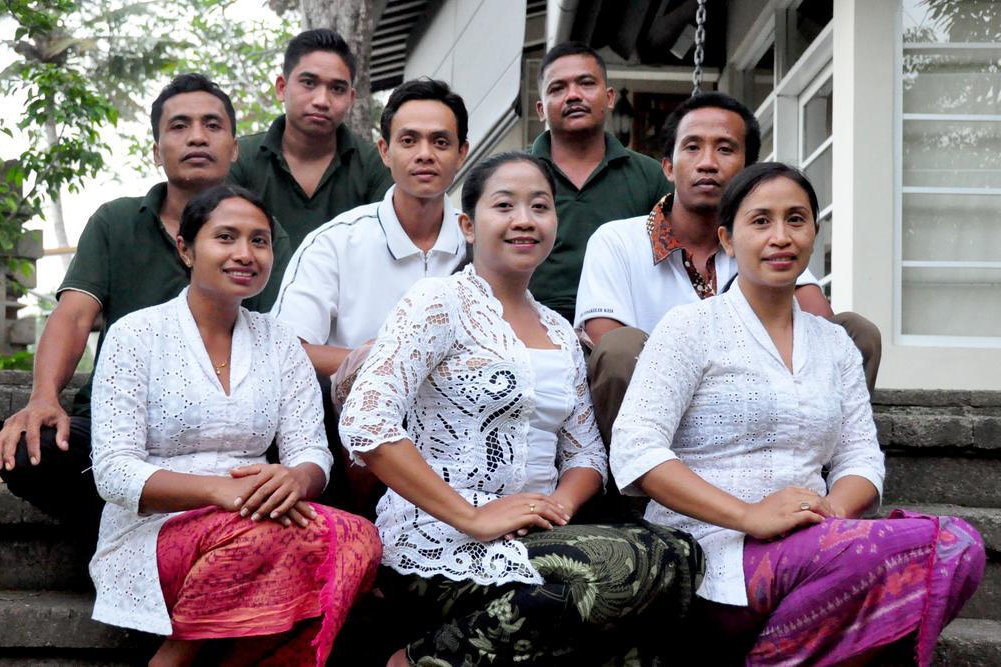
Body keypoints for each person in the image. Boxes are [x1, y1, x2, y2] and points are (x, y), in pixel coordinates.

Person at [609, 163, 984, 666]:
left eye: (796, 220)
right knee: (938, 545)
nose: (780, 237)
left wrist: (827, 517)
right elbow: (636, 447)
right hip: (709, 550)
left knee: (960, 549)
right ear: (727, 238)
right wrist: (749, 516)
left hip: (813, 547)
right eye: (760, 221)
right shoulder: (690, 328)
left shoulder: (835, 345)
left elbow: (861, 459)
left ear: (813, 234)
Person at [339, 152, 703, 666]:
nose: (525, 220)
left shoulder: (558, 329)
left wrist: (555, 510)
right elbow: (366, 422)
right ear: (467, 225)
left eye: (540, 206)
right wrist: (473, 516)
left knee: (681, 555)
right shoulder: (439, 302)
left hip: (538, 535)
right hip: (441, 541)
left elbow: (586, 456)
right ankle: (416, 660)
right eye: (504, 205)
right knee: (622, 568)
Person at [0, 73, 291, 551]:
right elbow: (73, 315)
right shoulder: (116, 221)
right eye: (179, 126)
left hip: (223, 436)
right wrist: (44, 396)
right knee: (32, 454)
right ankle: (135, 545)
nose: (197, 136)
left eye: (212, 125)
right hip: (119, 427)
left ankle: (213, 546)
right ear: (156, 150)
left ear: (234, 148)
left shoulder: (261, 235)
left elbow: (277, 338)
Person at [90, 184, 381, 667]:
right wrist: (219, 493)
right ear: (185, 248)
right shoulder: (136, 334)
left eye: (259, 241)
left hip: (263, 516)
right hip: (156, 533)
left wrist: (295, 478)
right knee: (263, 536)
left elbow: (312, 452)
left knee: (360, 540)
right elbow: (114, 474)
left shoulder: (281, 341)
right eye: (226, 237)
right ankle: (175, 656)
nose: (245, 254)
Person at [576, 92, 882, 447]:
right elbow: (607, 342)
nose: (707, 163)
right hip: (657, 411)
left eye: (725, 149)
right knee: (619, 347)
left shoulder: (765, 240)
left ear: (749, 169)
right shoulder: (617, 240)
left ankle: (823, 458)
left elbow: (824, 329)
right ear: (668, 166)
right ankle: (639, 485)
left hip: (756, 402)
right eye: (692, 148)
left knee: (856, 333)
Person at [271, 78, 469, 517]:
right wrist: (387, 359)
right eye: (408, 140)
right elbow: (285, 349)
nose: (424, 154)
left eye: (440, 141)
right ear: (384, 151)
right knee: (373, 374)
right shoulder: (337, 242)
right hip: (354, 433)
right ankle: (370, 531)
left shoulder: (482, 241)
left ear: (462, 154)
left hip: (461, 417)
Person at [528, 41, 672, 322]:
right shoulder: (513, 174)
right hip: (528, 325)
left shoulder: (649, 175)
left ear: (609, 98)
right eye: (557, 89)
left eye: (586, 84)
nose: (573, 96)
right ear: (541, 109)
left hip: (625, 323)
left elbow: (672, 261)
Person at [230, 28, 393, 251]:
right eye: (308, 83)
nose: (322, 100)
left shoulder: (377, 164)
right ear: (281, 88)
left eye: (336, 88)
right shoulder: (239, 158)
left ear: (351, 99)